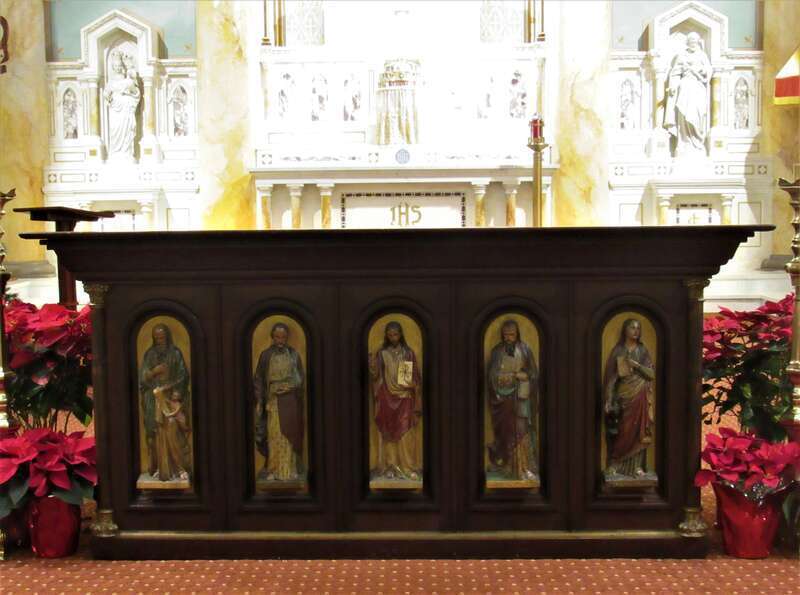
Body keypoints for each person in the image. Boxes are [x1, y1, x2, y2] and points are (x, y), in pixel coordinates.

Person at [369, 321, 422, 481]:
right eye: (390, 335)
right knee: (389, 431)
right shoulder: (382, 353)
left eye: (396, 334)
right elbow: (375, 375)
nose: (393, 337)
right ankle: (390, 466)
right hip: (386, 396)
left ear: (401, 335)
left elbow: (416, 377)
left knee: (405, 431)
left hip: (405, 397)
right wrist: (372, 363)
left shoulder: (408, 353)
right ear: (386, 335)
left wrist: (413, 385)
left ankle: (407, 466)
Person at [486, 319, 538, 480]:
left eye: (512, 335)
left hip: (521, 398)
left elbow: (534, 374)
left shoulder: (525, 350)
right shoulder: (497, 352)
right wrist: (500, 378)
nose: (508, 337)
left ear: (517, 334)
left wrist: (524, 375)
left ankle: (524, 467)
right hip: (503, 401)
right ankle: (507, 465)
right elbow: (490, 376)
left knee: (521, 430)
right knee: (506, 433)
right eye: (506, 335)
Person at [603, 318, 655, 478]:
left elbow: (651, 374)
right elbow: (611, 378)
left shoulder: (643, 350)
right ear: (625, 330)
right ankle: (615, 463)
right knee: (623, 431)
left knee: (639, 430)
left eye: (638, 328)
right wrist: (609, 399)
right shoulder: (618, 351)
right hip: (624, 396)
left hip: (640, 395)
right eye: (632, 328)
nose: (636, 331)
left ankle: (637, 467)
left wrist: (637, 366)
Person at [139, 323, 191, 482]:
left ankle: (179, 468)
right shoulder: (149, 354)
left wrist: (176, 392)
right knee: (154, 433)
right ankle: (159, 467)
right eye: (157, 337)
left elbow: (183, 375)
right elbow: (143, 378)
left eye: (162, 337)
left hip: (171, 398)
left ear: (167, 336)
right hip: (153, 398)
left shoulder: (175, 353)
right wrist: (154, 372)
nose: (160, 340)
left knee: (173, 431)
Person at [253, 322, 305, 481]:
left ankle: (288, 469)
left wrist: (290, 386)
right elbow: (259, 380)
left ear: (287, 337)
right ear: (272, 337)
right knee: (274, 434)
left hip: (290, 400)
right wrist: (260, 401)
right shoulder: (266, 355)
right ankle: (274, 469)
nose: (280, 340)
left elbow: (300, 378)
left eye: (283, 337)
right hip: (273, 400)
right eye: (277, 337)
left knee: (289, 434)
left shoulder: (294, 355)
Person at [663, 32, 711, 157]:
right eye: (691, 41)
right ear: (687, 42)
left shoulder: (702, 55)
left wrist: (703, 70)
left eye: (695, 41)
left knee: (697, 115)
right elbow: (675, 73)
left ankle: (698, 142)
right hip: (684, 87)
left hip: (698, 88)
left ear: (698, 42)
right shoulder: (681, 56)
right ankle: (683, 143)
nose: (693, 43)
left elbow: (709, 70)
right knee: (684, 116)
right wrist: (673, 86)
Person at [104, 54, 140, 160]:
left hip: (126, 110)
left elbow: (136, 93)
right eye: (116, 66)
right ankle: (115, 152)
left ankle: (127, 152)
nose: (118, 67)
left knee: (128, 130)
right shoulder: (111, 82)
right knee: (114, 129)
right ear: (113, 67)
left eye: (120, 65)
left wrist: (129, 93)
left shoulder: (127, 81)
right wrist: (108, 97)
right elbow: (106, 93)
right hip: (115, 110)